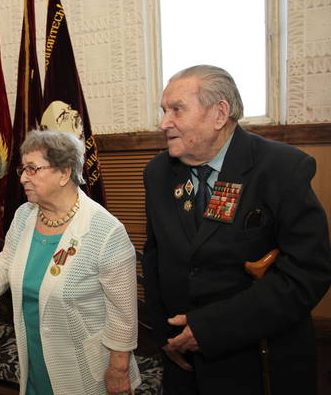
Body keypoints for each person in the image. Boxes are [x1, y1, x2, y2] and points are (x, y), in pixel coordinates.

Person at [142, 64, 331, 394]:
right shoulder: (157, 172)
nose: (164, 123)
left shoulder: (282, 168)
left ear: (219, 113)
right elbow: (154, 259)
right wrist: (165, 338)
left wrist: (210, 328)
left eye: (176, 110)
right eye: (163, 111)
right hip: (182, 360)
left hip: (257, 361)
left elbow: (308, 272)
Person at [0, 130, 141, 395]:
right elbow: (7, 264)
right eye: (22, 169)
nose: (23, 178)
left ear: (64, 173)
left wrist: (118, 369)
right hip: (34, 357)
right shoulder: (24, 215)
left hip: (84, 367)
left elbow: (123, 315)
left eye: (32, 169)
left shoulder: (105, 231)